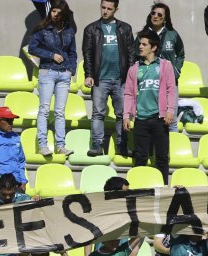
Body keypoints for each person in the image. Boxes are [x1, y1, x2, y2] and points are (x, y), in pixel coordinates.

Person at [123, 30, 177, 182]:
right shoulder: (134, 68)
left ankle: (163, 189)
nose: (140, 46)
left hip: (159, 118)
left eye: (144, 44)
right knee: (140, 157)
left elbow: (171, 90)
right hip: (141, 119)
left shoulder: (165, 65)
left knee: (161, 157)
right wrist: (126, 115)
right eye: (140, 43)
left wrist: (170, 111)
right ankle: (139, 189)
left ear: (153, 48)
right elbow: (128, 94)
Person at [82, 0, 133, 157]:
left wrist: (131, 77)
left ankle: (122, 145)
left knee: (122, 114)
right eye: (103, 7)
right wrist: (89, 75)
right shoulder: (91, 29)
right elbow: (88, 54)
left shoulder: (125, 28)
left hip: (121, 79)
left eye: (109, 8)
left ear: (116, 9)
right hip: (100, 79)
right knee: (98, 113)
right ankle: (97, 145)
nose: (105, 11)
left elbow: (131, 53)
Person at [29, 1, 77, 157]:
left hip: (64, 74)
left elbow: (73, 53)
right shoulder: (43, 29)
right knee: (44, 109)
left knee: (60, 112)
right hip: (47, 71)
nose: (55, 14)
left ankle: (61, 145)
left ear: (64, 14)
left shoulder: (69, 30)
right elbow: (32, 48)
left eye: (58, 12)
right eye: (53, 11)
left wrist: (71, 70)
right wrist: (51, 55)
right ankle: (43, 145)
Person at [135, 3, 184, 83]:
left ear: (165, 19)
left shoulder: (173, 34)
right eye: (153, 13)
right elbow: (135, 53)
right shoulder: (143, 35)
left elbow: (180, 55)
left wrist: (176, 71)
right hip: (147, 80)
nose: (155, 16)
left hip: (168, 79)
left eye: (160, 14)